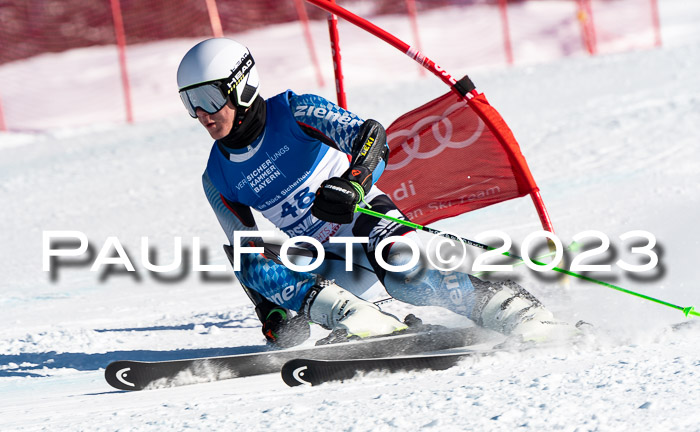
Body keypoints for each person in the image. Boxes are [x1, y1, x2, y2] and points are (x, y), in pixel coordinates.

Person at [177, 38, 575, 347]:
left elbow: (371, 135)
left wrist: (354, 181)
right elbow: (249, 252)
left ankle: (511, 308)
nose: (203, 114)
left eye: (210, 97)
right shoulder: (216, 177)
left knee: (407, 275)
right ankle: (365, 323)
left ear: (242, 85)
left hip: (368, 221)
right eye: (191, 103)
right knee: (243, 254)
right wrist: (273, 312)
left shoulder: (294, 110)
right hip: (327, 260)